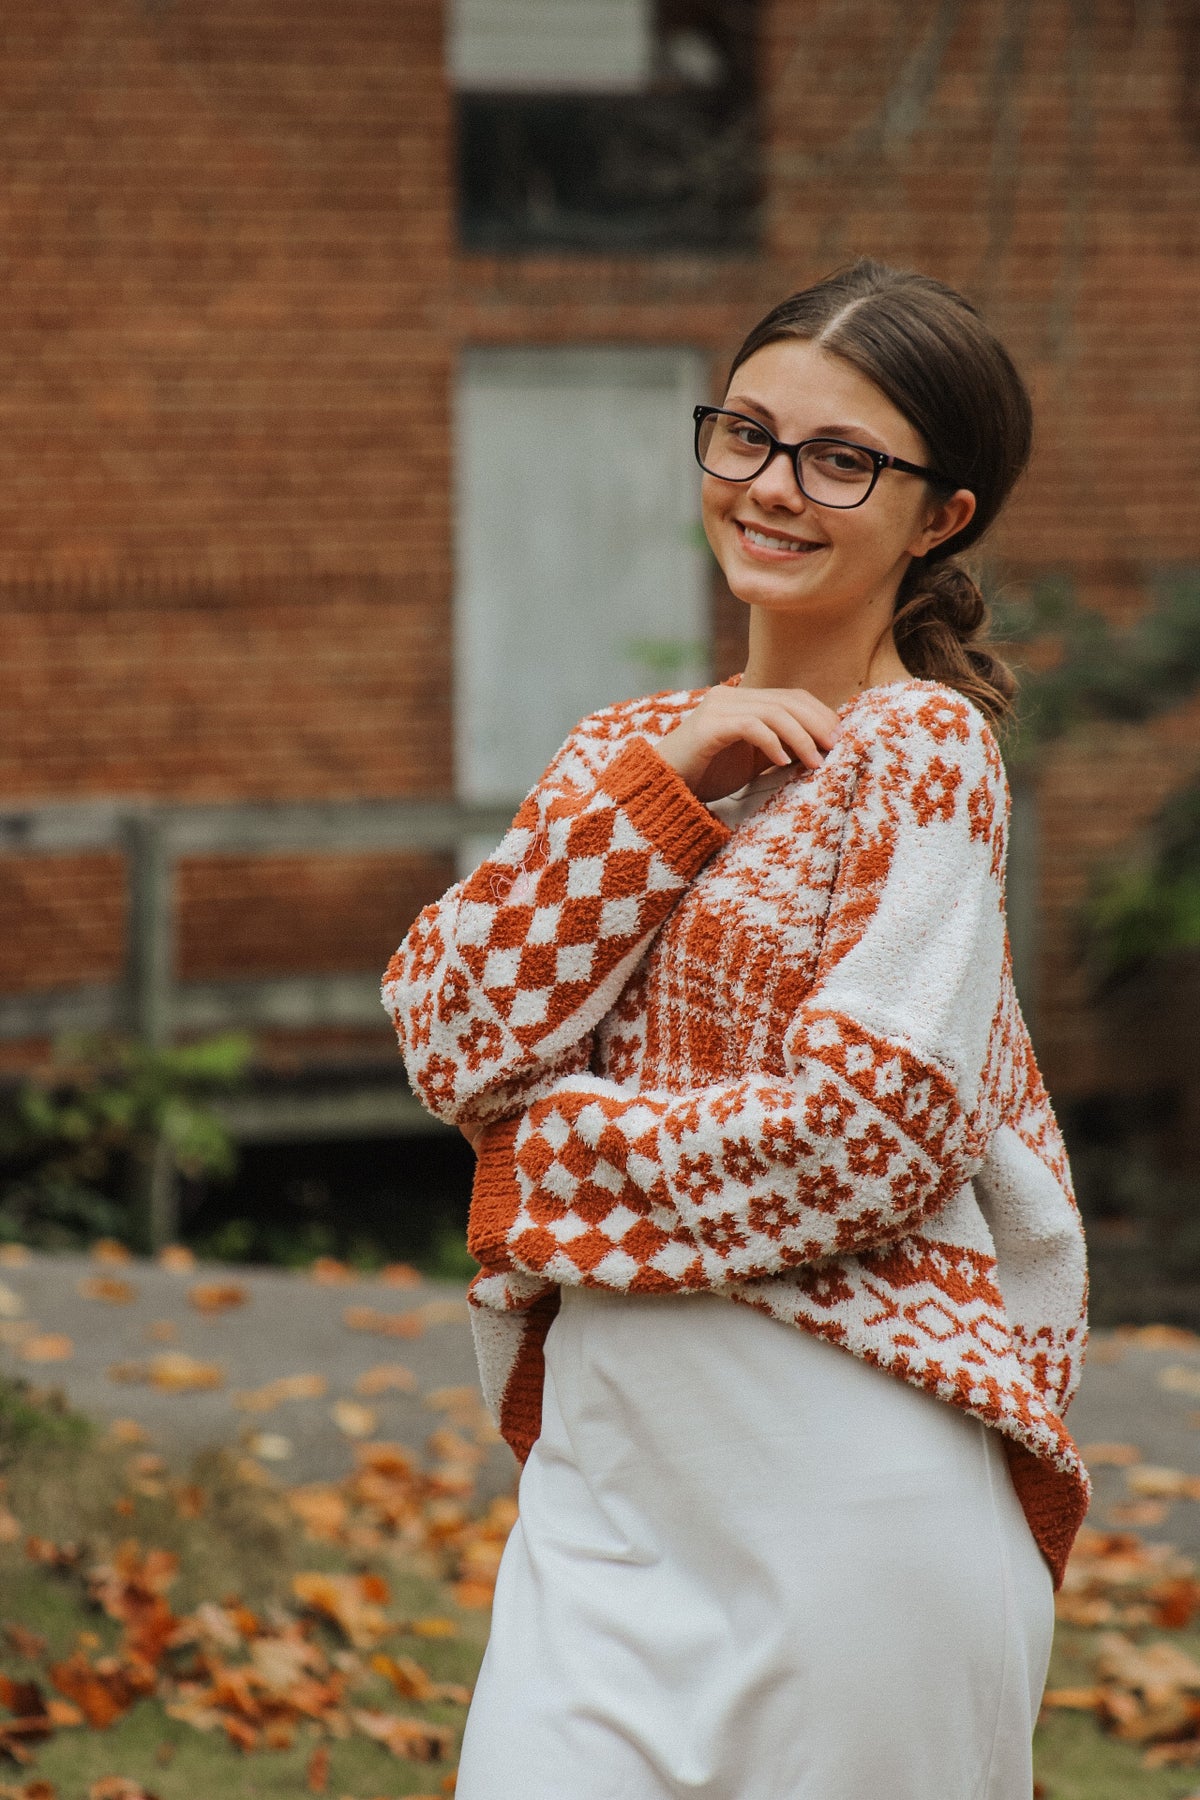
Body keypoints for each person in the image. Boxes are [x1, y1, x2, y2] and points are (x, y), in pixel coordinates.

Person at [383, 259, 1090, 1800]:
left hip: (849, 1479)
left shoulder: (927, 756)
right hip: (607, 1476)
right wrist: (661, 795)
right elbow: (450, 1036)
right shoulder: (626, 752)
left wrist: (535, 1168)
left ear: (940, 517)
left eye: (844, 459)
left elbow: (871, 1141)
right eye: (747, 434)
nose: (773, 487)